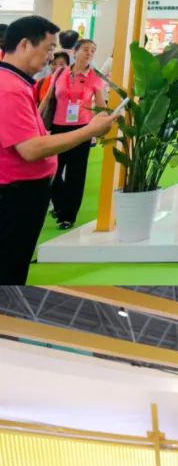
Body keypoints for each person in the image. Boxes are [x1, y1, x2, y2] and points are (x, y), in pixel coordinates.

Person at [0, 15, 113, 284]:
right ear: (25, 45)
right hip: (15, 197)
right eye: (48, 48)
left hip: (23, 193)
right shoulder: (10, 88)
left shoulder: (19, 83)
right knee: (10, 268)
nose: (52, 56)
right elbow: (30, 149)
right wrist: (89, 131)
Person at [39, 35, 109, 230]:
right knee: (51, 170)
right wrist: (36, 118)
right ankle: (61, 205)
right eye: (85, 49)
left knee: (75, 175)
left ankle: (68, 216)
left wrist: (103, 124)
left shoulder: (94, 77)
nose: (89, 53)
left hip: (82, 129)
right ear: (75, 52)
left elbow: (100, 106)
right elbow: (48, 98)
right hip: (58, 128)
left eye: (93, 51)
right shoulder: (60, 72)